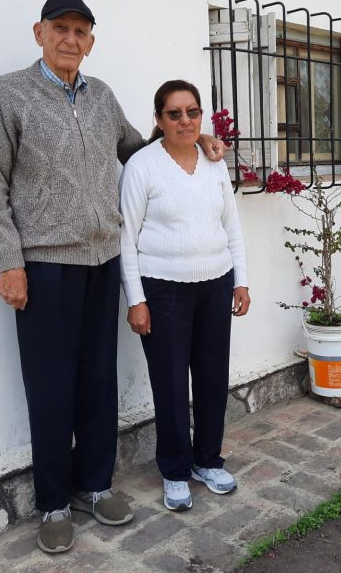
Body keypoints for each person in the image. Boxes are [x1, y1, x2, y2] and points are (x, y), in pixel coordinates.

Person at [0, 0, 222, 554]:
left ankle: (94, 485)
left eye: (81, 31)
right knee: (50, 385)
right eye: (60, 28)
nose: (70, 39)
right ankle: (53, 502)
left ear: (91, 41)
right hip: (44, 265)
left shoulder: (102, 96)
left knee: (98, 380)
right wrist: (10, 263)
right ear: (39, 32)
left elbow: (139, 152)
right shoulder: (10, 94)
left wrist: (193, 137)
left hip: (103, 260)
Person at [119, 79, 250, 512]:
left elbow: (231, 225)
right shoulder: (141, 166)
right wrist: (136, 299)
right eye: (174, 114)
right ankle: (175, 470)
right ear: (159, 119)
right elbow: (126, 237)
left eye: (192, 112)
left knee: (212, 378)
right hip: (163, 290)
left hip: (216, 283)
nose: (185, 121)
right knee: (171, 383)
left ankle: (207, 460)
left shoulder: (213, 162)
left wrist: (241, 280)